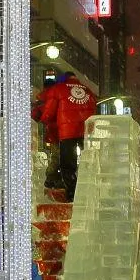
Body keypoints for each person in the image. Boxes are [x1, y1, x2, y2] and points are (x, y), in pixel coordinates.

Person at [39, 71, 97, 202]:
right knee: (87, 161)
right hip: (85, 131)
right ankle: (87, 190)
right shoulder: (88, 91)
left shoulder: (58, 89)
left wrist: (43, 119)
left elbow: (48, 112)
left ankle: (72, 194)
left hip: (67, 131)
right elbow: (94, 109)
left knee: (67, 163)